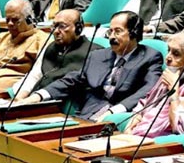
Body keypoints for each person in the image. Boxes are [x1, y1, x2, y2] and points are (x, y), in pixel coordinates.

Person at [18, 11, 163, 121]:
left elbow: (149, 90)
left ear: (134, 33)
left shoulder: (150, 57)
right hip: (89, 114)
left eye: (118, 31)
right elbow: (72, 79)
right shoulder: (98, 55)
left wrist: (115, 112)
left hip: (122, 115)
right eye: (110, 31)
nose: (112, 37)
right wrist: (38, 96)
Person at [125, 32, 184, 137]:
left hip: (160, 142)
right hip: (137, 135)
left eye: (176, 54)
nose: (167, 57)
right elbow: (145, 103)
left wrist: (174, 90)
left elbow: (181, 129)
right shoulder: (169, 76)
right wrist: (132, 124)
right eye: (169, 51)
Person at [12, 9, 102, 100]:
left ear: (78, 29)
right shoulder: (50, 46)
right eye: (54, 26)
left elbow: (72, 84)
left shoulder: (93, 52)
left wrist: (36, 97)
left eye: (62, 26)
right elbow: (35, 75)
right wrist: (20, 97)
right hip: (33, 100)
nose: (55, 31)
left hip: (57, 102)